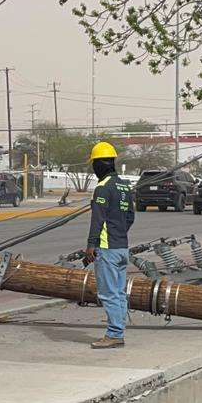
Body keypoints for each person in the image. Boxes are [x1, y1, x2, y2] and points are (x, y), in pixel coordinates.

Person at [85, 141, 134, 349]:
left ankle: (114, 334)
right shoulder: (124, 185)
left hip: (107, 249)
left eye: (94, 165)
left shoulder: (102, 188)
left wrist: (90, 245)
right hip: (122, 247)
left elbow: (97, 219)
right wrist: (119, 233)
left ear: (99, 164)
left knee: (108, 293)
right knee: (120, 293)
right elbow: (130, 217)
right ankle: (118, 330)